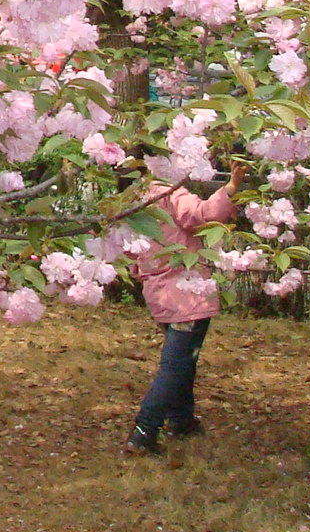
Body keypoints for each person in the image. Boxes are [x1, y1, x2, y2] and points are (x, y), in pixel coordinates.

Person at [123, 160, 242, 455]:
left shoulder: (128, 203)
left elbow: (129, 252)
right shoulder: (166, 192)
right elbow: (201, 215)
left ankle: (182, 420)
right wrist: (232, 188)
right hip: (187, 294)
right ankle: (144, 431)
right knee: (175, 365)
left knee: (183, 361)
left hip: (159, 295)